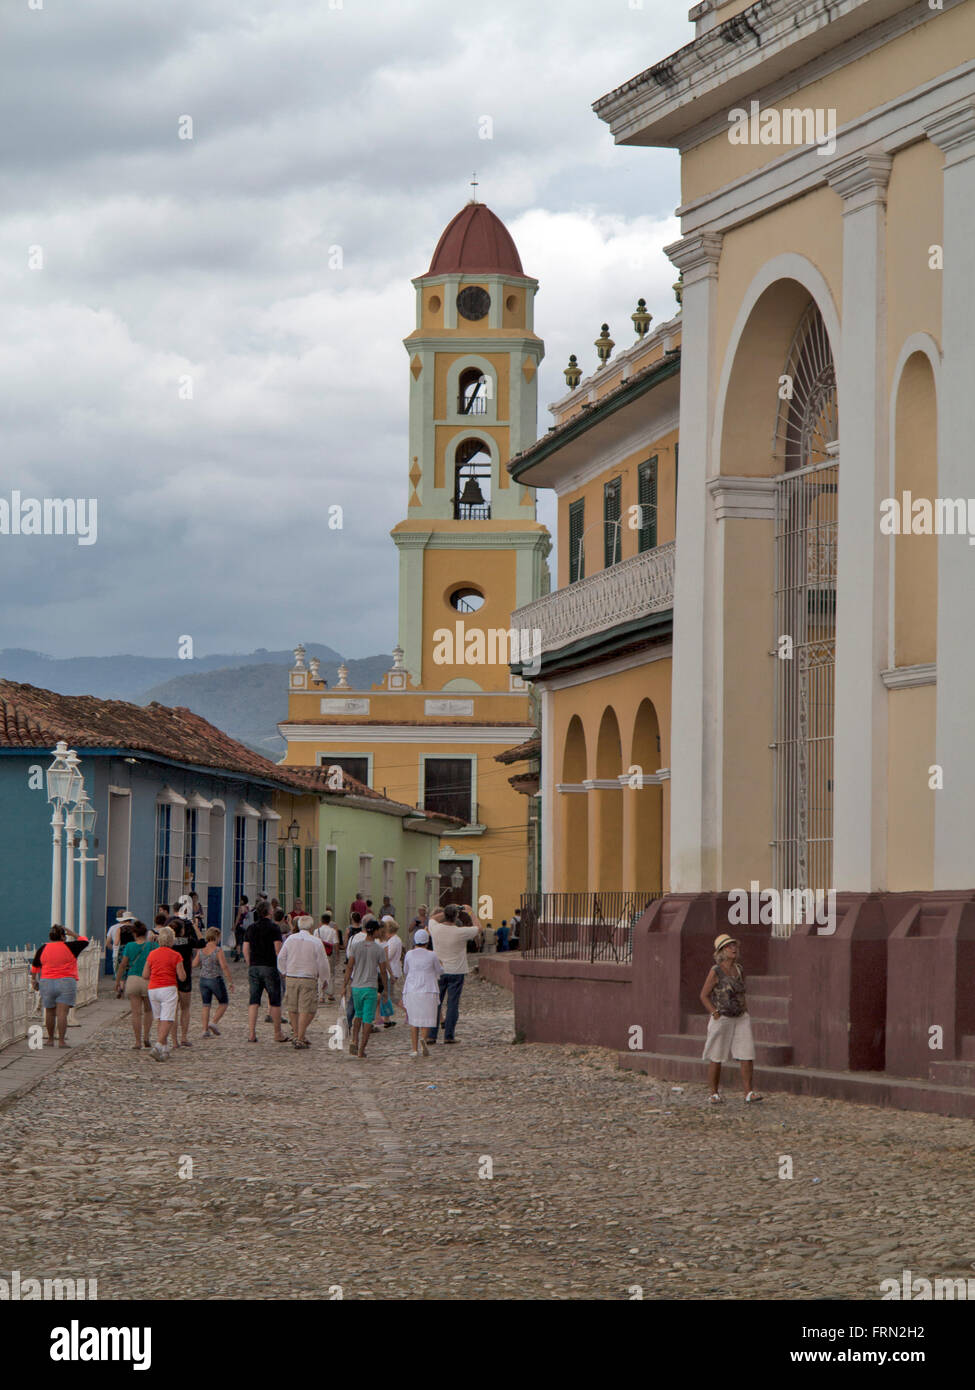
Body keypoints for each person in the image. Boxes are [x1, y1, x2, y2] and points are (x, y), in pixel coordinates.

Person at [699, 934, 762, 1104]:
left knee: (747, 1053)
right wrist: (714, 1012)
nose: (733, 948)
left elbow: (741, 992)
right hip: (723, 1017)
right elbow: (704, 995)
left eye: (734, 945)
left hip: (741, 1016)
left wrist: (746, 1009)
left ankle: (748, 1092)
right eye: (728, 946)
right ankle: (713, 1093)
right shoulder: (715, 971)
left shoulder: (739, 969)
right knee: (717, 1055)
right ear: (721, 951)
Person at [425, 904, 480, 1045]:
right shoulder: (460, 932)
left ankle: (432, 1035)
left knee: (435, 1003)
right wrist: (470, 912)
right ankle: (449, 1035)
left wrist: (447, 910)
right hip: (456, 970)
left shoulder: (436, 928)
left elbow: (431, 918)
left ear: (444, 915)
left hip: (439, 970)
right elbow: (479, 928)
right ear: (456, 917)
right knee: (452, 1004)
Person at [30, 926, 89, 1048]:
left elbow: (35, 965)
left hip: (47, 982)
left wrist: (33, 980)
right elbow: (85, 941)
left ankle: (50, 1039)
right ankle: (61, 1041)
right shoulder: (71, 947)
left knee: (50, 1012)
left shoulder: (43, 948)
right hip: (66, 982)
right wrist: (73, 933)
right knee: (62, 1013)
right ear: (63, 936)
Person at [277, 915, 331, 1050]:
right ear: (311, 927)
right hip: (308, 977)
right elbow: (323, 962)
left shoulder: (290, 939)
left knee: (293, 1008)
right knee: (307, 1009)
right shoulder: (316, 942)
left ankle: (297, 1034)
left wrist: (283, 971)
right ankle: (300, 1037)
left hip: (291, 976)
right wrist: (324, 979)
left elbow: (281, 957)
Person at [343, 920, 388, 1059]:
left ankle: (354, 1040)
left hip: (356, 986)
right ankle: (362, 1049)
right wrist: (385, 988)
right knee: (368, 1019)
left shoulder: (356, 946)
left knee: (358, 1015)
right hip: (370, 987)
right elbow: (383, 970)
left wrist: (344, 985)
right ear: (374, 931)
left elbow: (349, 966)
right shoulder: (379, 949)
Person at [243, 901, 288, 1043]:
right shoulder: (274, 928)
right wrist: (281, 967)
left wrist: (250, 962)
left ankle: (251, 1033)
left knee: (254, 1000)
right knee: (274, 1000)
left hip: (254, 966)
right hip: (269, 966)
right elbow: (278, 949)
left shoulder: (251, 928)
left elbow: (245, 948)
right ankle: (277, 1033)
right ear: (269, 912)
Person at [143, 925, 186, 1061]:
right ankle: (158, 1045)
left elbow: (145, 974)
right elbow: (182, 976)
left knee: (161, 1019)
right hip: (168, 988)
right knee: (168, 1019)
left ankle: (165, 1050)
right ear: (172, 940)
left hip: (153, 989)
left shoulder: (152, 954)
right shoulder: (176, 955)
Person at [402, 929, 443, 1057]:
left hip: (412, 989)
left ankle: (414, 1049)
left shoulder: (409, 954)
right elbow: (439, 970)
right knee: (427, 1018)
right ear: (427, 941)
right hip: (429, 989)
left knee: (414, 1020)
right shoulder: (432, 955)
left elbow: (405, 970)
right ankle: (423, 1041)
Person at [116, 921, 157, 1049]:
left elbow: (123, 965)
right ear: (146, 933)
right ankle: (146, 1037)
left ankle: (137, 1041)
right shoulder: (152, 946)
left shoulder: (129, 946)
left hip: (133, 979)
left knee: (136, 1013)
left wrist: (118, 981)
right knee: (148, 1010)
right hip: (148, 979)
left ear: (134, 933)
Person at [197, 927, 233, 1037]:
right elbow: (224, 966)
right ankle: (213, 1022)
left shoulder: (201, 950)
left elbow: (194, 964)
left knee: (206, 1005)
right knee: (223, 1003)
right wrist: (230, 981)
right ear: (217, 937)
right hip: (215, 979)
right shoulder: (218, 950)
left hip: (203, 979)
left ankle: (204, 1030)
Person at [171, 917, 198, 1048]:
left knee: (173, 1010)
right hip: (185, 975)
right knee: (185, 1008)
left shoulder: (168, 942)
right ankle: (184, 1037)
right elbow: (202, 942)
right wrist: (195, 927)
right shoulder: (188, 941)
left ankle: (174, 1040)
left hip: (171, 977)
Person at [379, 917, 403, 1028]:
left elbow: (388, 956)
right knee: (390, 996)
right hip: (392, 970)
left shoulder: (393, 941)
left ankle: (386, 1017)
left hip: (391, 970)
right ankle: (385, 1017)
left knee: (389, 996)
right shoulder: (394, 940)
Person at [315, 913, 339, 1002]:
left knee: (320, 975)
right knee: (331, 973)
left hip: (319, 955)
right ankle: (330, 994)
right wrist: (337, 955)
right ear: (329, 921)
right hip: (329, 954)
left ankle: (321, 996)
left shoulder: (317, 931)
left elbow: (314, 943)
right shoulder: (332, 931)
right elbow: (336, 944)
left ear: (321, 921)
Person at [232, 896, 251, 962]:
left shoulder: (241, 908)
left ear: (243, 901)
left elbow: (238, 917)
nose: (239, 901)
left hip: (240, 925)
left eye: (240, 900)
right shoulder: (248, 907)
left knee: (238, 941)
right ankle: (246, 957)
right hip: (246, 926)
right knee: (246, 941)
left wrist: (234, 926)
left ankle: (238, 955)